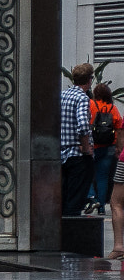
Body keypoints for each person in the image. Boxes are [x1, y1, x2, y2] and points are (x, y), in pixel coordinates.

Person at [65, 63, 98, 217]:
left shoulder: (62, 96)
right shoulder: (82, 99)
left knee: (66, 194)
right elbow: (83, 125)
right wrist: (86, 149)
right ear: (89, 80)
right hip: (77, 153)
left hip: (62, 153)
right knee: (77, 195)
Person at [94, 83, 120, 220]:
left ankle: (91, 199)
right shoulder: (113, 108)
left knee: (89, 174)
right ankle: (102, 207)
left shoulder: (91, 105)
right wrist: (117, 146)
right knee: (103, 177)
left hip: (93, 146)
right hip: (109, 146)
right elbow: (119, 126)